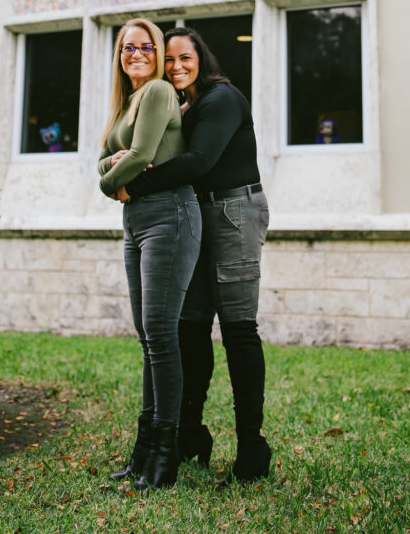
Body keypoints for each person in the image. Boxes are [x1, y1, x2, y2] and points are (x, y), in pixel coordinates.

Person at [125, 26, 271, 483]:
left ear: (200, 58)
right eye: (168, 60)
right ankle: (191, 432)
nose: (176, 66)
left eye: (184, 57)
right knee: (190, 328)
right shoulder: (179, 104)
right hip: (194, 217)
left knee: (238, 330)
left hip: (233, 213)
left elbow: (200, 161)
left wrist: (135, 183)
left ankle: (252, 447)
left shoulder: (221, 98)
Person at [98, 18, 201, 491]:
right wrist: (113, 170)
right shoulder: (127, 103)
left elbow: (135, 156)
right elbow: (106, 156)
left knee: (160, 333)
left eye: (144, 46)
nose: (134, 53)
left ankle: (165, 454)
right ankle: (144, 450)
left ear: (157, 53)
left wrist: (109, 180)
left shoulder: (159, 91)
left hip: (170, 216)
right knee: (147, 335)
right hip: (136, 219)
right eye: (126, 47)